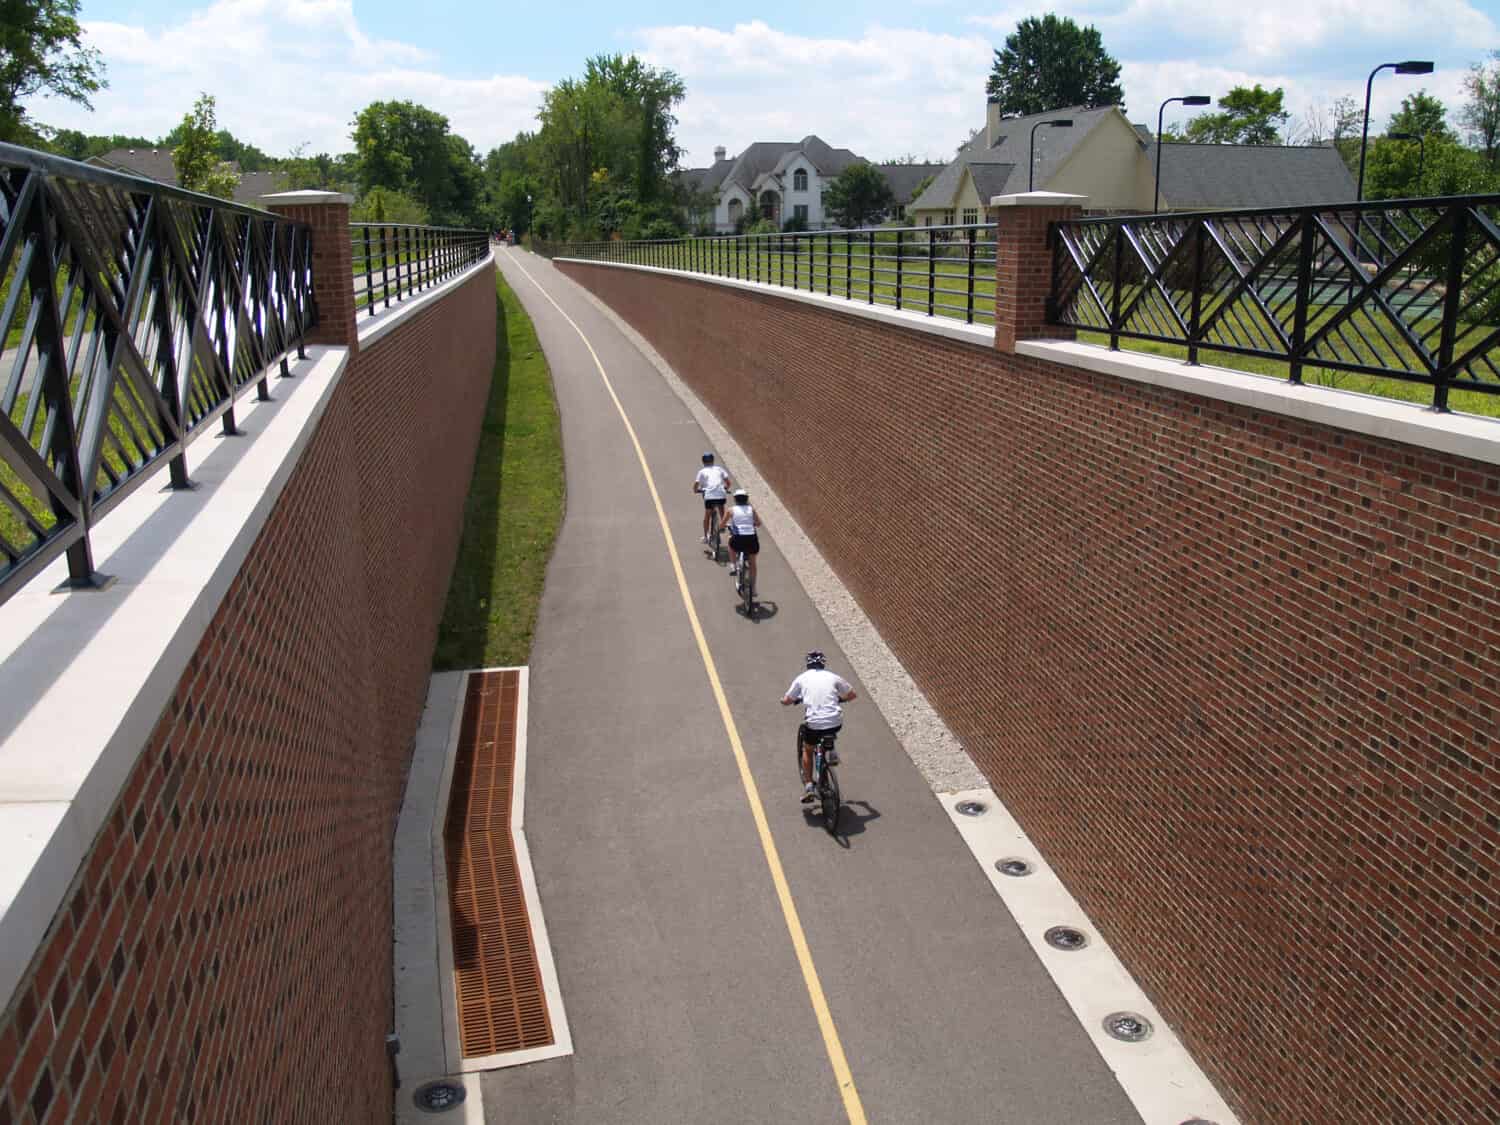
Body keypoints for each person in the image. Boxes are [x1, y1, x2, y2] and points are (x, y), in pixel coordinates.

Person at [781, 650, 857, 803]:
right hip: (835, 722)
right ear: (823, 664)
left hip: (814, 724)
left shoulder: (802, 678)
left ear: (808, 664)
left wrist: (784, 701)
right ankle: (831, 751)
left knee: (808, 750)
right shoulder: (833, 676)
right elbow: (852, 695)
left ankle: (809, 786)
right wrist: (839, 699)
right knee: (830, 726)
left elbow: (788, 700)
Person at [692, 452, 733, 544]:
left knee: (707, 516)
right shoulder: (719, 469)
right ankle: (723, 524)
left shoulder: (701, 472)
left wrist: (696, 490)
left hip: (709, 496)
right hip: (721, 494)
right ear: (713, 460)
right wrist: (725, 489)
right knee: (721, 505)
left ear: (703, 462)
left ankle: (706, 536)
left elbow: (696, 485)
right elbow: (728, 483)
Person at [726, 488, 761, 590]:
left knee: (730, 543)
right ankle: (753, 588)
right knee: (752, 563)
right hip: (751, 539)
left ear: (735, 499)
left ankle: (733, 565)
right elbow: (758, 524)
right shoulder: (752, 510)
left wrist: (722, 527)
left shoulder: (731, 510)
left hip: (738, 539)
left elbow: (722, 524)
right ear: (746, 499)